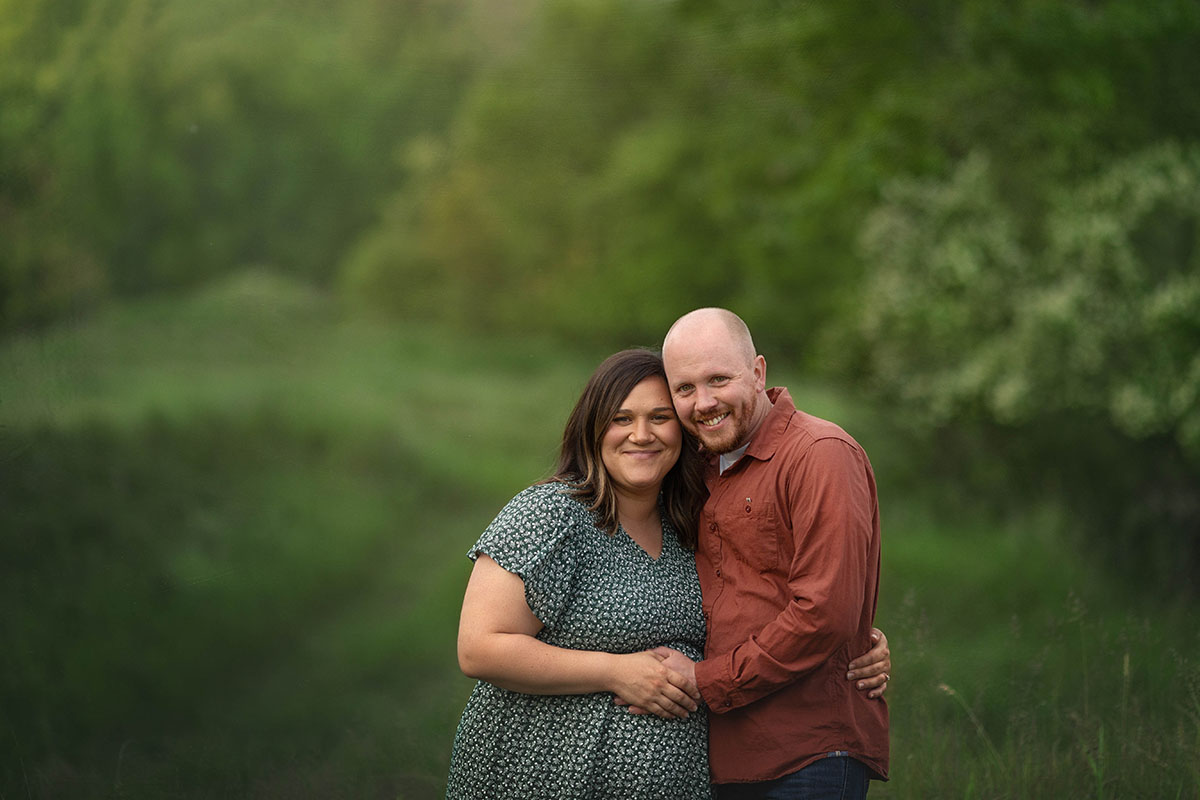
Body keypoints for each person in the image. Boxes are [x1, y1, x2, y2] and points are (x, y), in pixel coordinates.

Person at [444, 348, 890, 799]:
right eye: (621, 419)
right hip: (540, 779)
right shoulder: (550, 513)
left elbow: (763, 601)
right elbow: (479, 648)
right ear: (593, 429)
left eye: (660, 417)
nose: (641, 435)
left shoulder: (690, 521)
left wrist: (854, 642)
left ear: (684, 430)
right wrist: (615, 672)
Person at [656, 308, 890, 799]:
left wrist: (704, 681)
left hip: (807, 755)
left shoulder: (820, 454)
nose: (704, 402)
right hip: (716, 757)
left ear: (758, 373)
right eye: (684, 389)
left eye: (719, 379)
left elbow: (826, 613)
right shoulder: (691, 469)